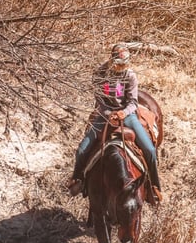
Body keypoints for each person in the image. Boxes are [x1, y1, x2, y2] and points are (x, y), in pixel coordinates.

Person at [67, 44, 162, 204]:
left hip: (127, 115)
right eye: (118, 63)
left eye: (124, 63)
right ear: (111, 59)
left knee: (150, 149)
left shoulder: (130, 75)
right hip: (105, 115)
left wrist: (122, 113)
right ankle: (78, 180)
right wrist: (108, 113)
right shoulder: (100, 74)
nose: (121, 66)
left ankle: (154, 187)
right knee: (82, 149)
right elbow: (99, 100)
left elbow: (132, 101)